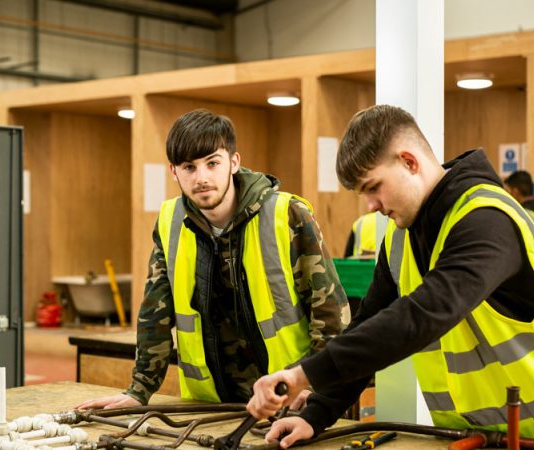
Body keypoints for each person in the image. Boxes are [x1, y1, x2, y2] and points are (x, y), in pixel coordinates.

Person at [246, 105, 534, 450]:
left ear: (410, 162)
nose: (371, 206)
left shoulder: (487, 219)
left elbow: (423, 314)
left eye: (374, 187)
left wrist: (305, 374)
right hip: (487, 437)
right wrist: (316, 413)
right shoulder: (400, 239)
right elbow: (370, 324)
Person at [76, 109, 347, 409]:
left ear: (233, 162)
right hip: (209, 406)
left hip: (288, 400)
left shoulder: (287, 215)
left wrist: (314, 385)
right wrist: (138, 391)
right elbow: (156, 313)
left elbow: (331, 314)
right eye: (189, 167)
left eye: (212, 163)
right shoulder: (170, 222)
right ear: (173, 172)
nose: (202, 178)